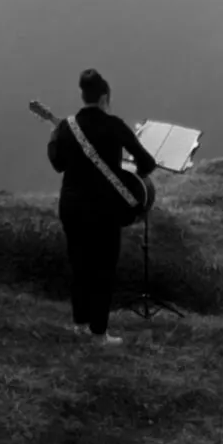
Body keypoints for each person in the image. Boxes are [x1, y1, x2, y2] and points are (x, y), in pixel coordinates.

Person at [47, 68, 158, 345]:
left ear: (82, 95)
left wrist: (53, 137)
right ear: (105, 96)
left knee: (79, 265)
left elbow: (58, 164)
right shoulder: (114, 125)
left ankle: (80, 325)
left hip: (71, 206)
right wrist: (126, 168)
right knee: (103, 270)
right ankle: (99, 334)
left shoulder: (66, 127)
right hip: (103, 209)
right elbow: (147, 164)